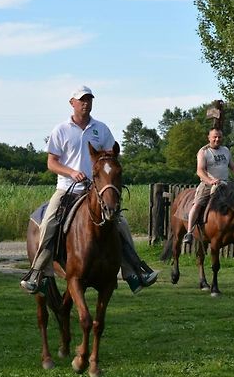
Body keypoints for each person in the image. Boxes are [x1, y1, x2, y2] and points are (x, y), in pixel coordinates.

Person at [20, 85, 158, 295]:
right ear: (72, 103)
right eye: (81, 100)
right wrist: (71, 172)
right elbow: (51, 163)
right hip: (67, 189)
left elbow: (111, 156)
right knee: (49, 222)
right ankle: (37, 272)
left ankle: (133, 271)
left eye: (89, 99)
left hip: (96, 191)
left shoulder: (101, 129)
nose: (86, 103)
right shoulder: (61, 130)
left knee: (121, 223)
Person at [183, 127, 234, 244]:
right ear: (209, 138)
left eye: (219, 137)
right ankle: (189, 232)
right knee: (197, 205)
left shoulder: (225, 150)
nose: (217, 139)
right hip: (208, 184)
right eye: (214, 137)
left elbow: (233, 168)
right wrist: (210, 181)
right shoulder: (203, 152)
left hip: (225, 184)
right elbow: (200, 171)